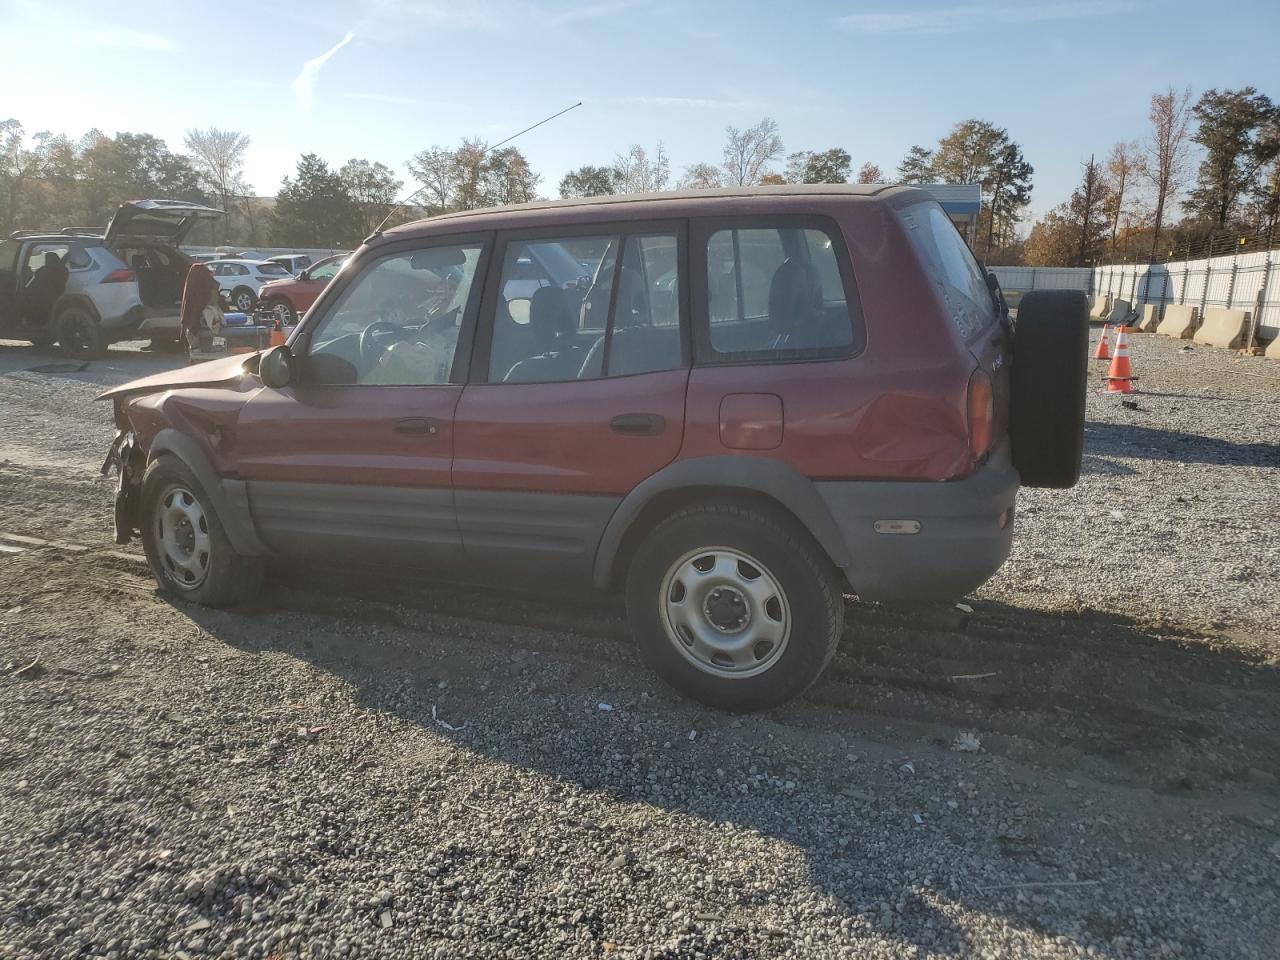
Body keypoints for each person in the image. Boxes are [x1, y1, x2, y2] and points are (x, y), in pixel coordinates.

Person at [179, 261, 220, 359]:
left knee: (196, 354)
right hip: (206, 323)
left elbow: (188, 312)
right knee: (204, 351)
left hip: (192, 327)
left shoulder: (190, 288)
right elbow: (214, 300)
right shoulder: (208, 284)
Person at [23, 251, 69, 323]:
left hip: (40, 300)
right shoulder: (64, 270)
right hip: (52, 298)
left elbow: (36, 278)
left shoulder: (45, 271)